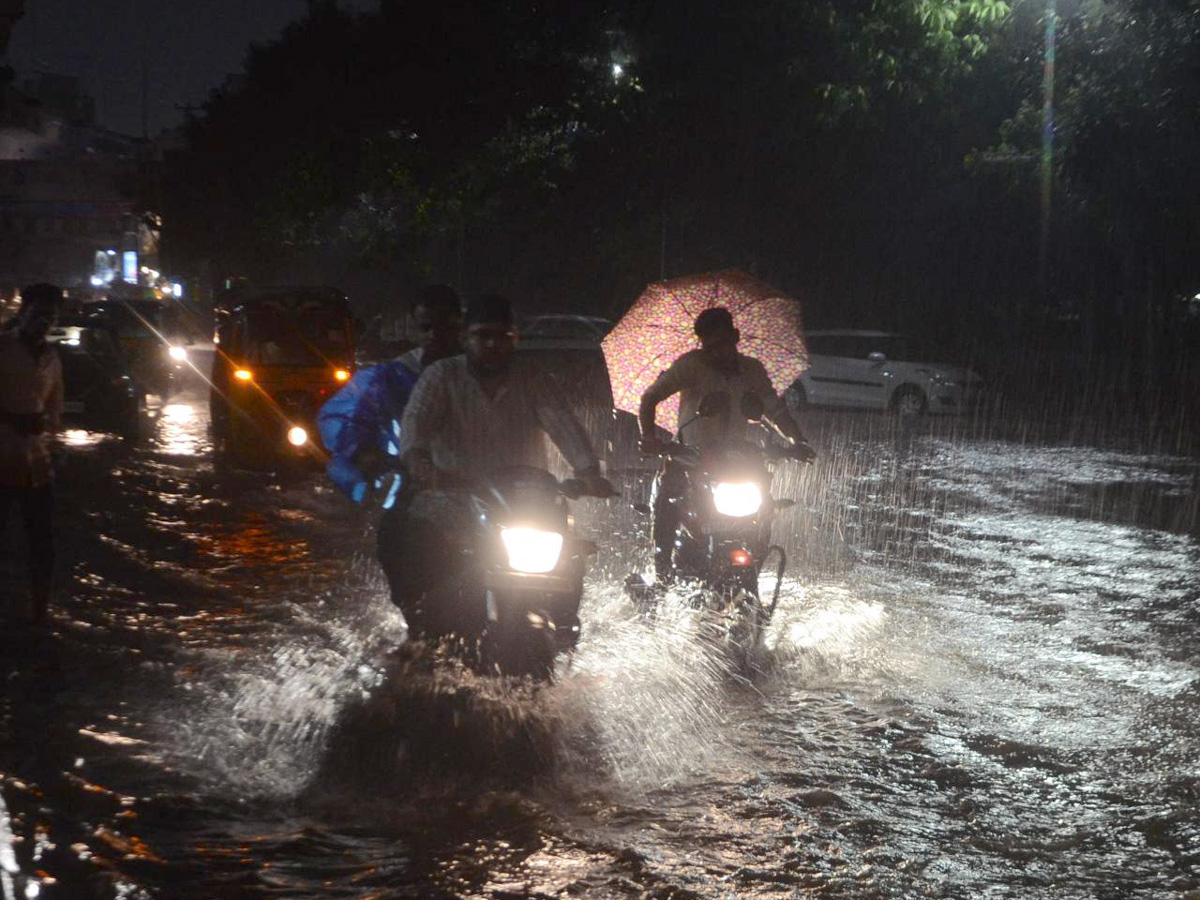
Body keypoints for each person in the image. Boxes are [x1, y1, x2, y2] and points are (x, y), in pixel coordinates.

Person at [386, 293, 610, 638]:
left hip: (524, 500)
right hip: (453, 499)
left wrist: (588, 473)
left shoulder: (533, 378)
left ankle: (564, 627)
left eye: (502, 336)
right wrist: (418, 463)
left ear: (515, 339)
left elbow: (563, 424)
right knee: (406, 540)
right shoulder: (440, 377)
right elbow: (416, 426)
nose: (492, 344)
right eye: (482, 336)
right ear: (466, 338)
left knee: (568, 550)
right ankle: (422, 626)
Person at [638, 306, 815, 583]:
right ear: (703, 346)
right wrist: (649, 438)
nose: (719, 352)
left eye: (724, 344)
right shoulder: (690, 366)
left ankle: (756, 555)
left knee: (764, 502)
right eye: (712, 347)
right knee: (667, 502)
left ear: (735, 337)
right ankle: (661, 577)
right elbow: (649, 398)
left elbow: (775, 410)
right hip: (690, 457)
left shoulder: (752, 370)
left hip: (738, 460)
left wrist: (796, 441)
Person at [317, 284, 464, 505]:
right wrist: (364, 454)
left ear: (458, 324)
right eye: (426, 328)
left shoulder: (484, 371)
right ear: (415, 328)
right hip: (411, 485)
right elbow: (349, 421)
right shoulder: (390, 376)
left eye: (443, 327)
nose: (434, 335)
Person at [0, 283, 65, 624]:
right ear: (23, 314)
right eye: (38, 314)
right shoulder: (3, 349)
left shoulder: (52, 358)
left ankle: (40, 610)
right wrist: (13, 419)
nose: (44, 322)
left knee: (42, 542)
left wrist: (47, 426)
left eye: (50, 317)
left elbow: (55, 408)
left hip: (37, 466)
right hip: (2, 457)